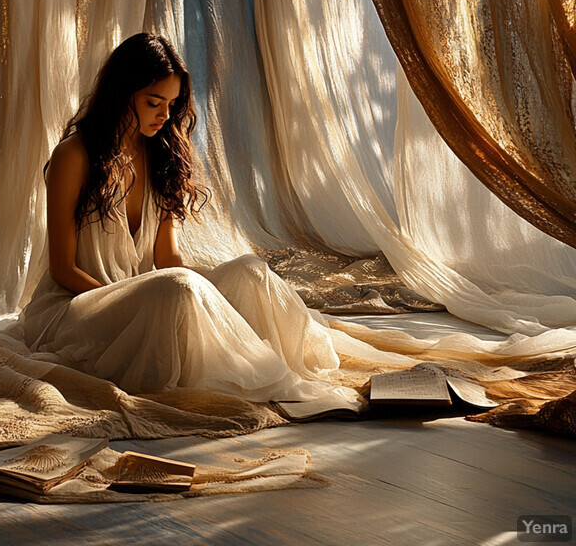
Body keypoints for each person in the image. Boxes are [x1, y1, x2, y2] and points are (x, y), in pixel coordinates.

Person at [22, 32, 361, 411]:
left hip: (147, 293)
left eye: (172, 103)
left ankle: (273, 370)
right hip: (77, 307)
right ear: (122, 93)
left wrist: (211, 304)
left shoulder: (161, 155)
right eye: (153, 102)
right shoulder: (74, 156)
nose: (164, 115)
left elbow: (167, 257)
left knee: (250, 272)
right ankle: (259, 379)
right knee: (177, 287)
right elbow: (63, 269)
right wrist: (131, 303)